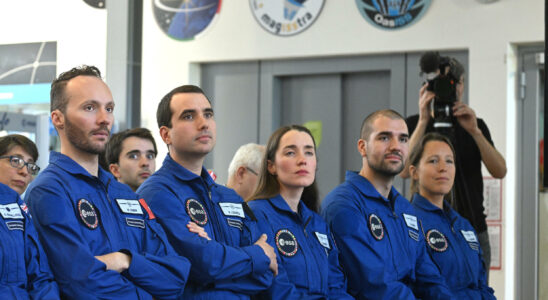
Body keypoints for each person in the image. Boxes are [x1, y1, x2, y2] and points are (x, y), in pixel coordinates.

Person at [24, 65, 191, 299]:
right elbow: (81, 282)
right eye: (90, 108)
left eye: (109, 108)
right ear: (58, 119)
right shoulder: (49, 191)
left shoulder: (123, 193)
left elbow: (177, 274)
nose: (104, 119)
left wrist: (125, 260)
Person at [137, 85, 277, 299]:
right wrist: (257, 256)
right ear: (166, 135)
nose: (203, 124)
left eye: (208, 114)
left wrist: (219, 263)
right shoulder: (157, 193)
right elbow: (201, 266)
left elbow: (267, 274)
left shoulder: (228, 196)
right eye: (189, 116)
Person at [321, 109, 454, 299]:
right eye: (384, 138)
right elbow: (373, 285)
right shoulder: (343, 205)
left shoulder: (404, 208)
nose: (395, 146)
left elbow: (427, 275)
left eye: (403, 139)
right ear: (362, 147)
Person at [401, 54, 507, 276]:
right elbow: (401, 170)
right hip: (427, 227)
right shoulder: (414, 124)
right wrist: (422, 121)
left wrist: (475, 131)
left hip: (473, 229)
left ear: (462, 86)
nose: (448, 88)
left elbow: (500, 170)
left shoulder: (474, 124)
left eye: (454, 83)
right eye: (439, 83)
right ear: (427, 86)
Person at [247, 125, 352, 299]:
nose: (302, 160)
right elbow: (274, 288)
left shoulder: (318, 223)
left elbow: (336, 284)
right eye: (290, 153)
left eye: (309, 152)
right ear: (271, 166)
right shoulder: (257, 214)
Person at [408, 133, 496, 299]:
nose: (443, 167)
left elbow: (482, 284)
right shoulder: (409, 224)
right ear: (414, 172)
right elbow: (426, 288)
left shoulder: (463, 225)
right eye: (433, 160)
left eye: (449, 161)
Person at [0, 135, 59, 299]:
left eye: (30, 165)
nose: (24, 171)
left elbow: (41, 276)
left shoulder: (22, 211)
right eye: (16, 160)